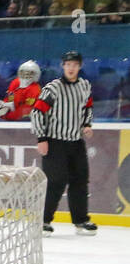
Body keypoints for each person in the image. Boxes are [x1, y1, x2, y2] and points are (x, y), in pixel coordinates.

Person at [32, 50, 97, 235]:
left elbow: (88, 108)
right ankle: (43, 221)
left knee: (80, 180)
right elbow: (37, 112)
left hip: (76, 142)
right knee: (55, 181)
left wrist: (86, 124)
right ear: (63, 66)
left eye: (75, 64)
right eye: (68, 64)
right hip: (55, 142)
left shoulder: (85, 86)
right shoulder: (53, 88)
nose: (71, 68)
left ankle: (81, 221)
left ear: (80, 66)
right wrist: (42, 138)